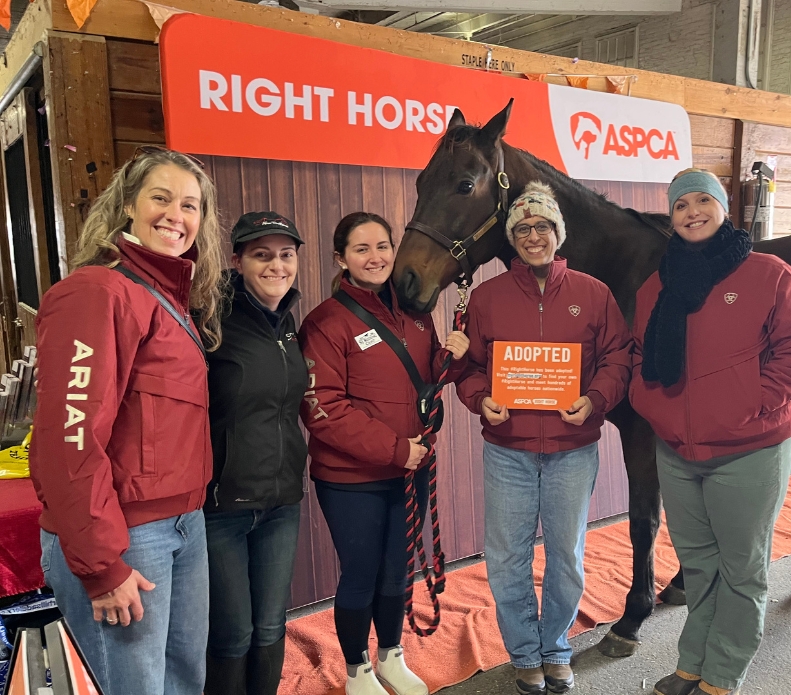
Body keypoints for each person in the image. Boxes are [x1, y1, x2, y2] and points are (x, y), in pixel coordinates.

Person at [30, 147, 224, 695]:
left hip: (184, 522)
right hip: (128, 537)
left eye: (190, 205)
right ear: (128, 207)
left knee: (182, 680)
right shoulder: (99, 290)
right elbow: (69, 439)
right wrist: (100, 565)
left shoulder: (168, 298)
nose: (175, 215)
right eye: (160, 198)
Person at [629, 169, 791, 695]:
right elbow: (637, 356)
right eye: (680, 205)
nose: (692, 211)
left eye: (703, 201)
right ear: (670, 217)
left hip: (749, 449)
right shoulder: (657, 285)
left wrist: (749, 404)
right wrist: (650, 405)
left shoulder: (769, 274)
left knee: (742, 567)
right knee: (698, 564)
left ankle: (722, 675)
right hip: (677, 451)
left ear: (722, 208)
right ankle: (691, 663)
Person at [455, 182, 633, 695]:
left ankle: (555, 647)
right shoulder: (486, 297)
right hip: (506, 450)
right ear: (512, 238)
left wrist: (595, 400)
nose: (534, 236)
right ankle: (523, 653)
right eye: (523, 229)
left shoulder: (592, 293)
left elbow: (618, 356)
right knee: (507, 555)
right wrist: (479, 397)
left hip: (571, 449)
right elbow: (465, 366)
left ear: (559, 233)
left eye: (543, 227)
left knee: (566, 554)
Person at [298, 212, 469, 695]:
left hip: (407, 468)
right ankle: (357, 672)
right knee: (362, 571)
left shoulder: (415, 313)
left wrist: (449, 356)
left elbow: (423, 379)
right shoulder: (325, 323)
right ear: (341, 259)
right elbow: (322, 408)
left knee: (398, 567)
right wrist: (396, 449)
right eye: (361, 249)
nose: (375, 258)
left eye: (382, 247)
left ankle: (391, 655)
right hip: (352, 477)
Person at [203, 212, 309, 695]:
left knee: (270, 628)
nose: (276, 266)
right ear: (238, 260)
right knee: (233, 634)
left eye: (286, 255)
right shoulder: (211, 321)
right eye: (262, 255)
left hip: (281, 503)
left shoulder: (288, 323)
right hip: (223, 508)